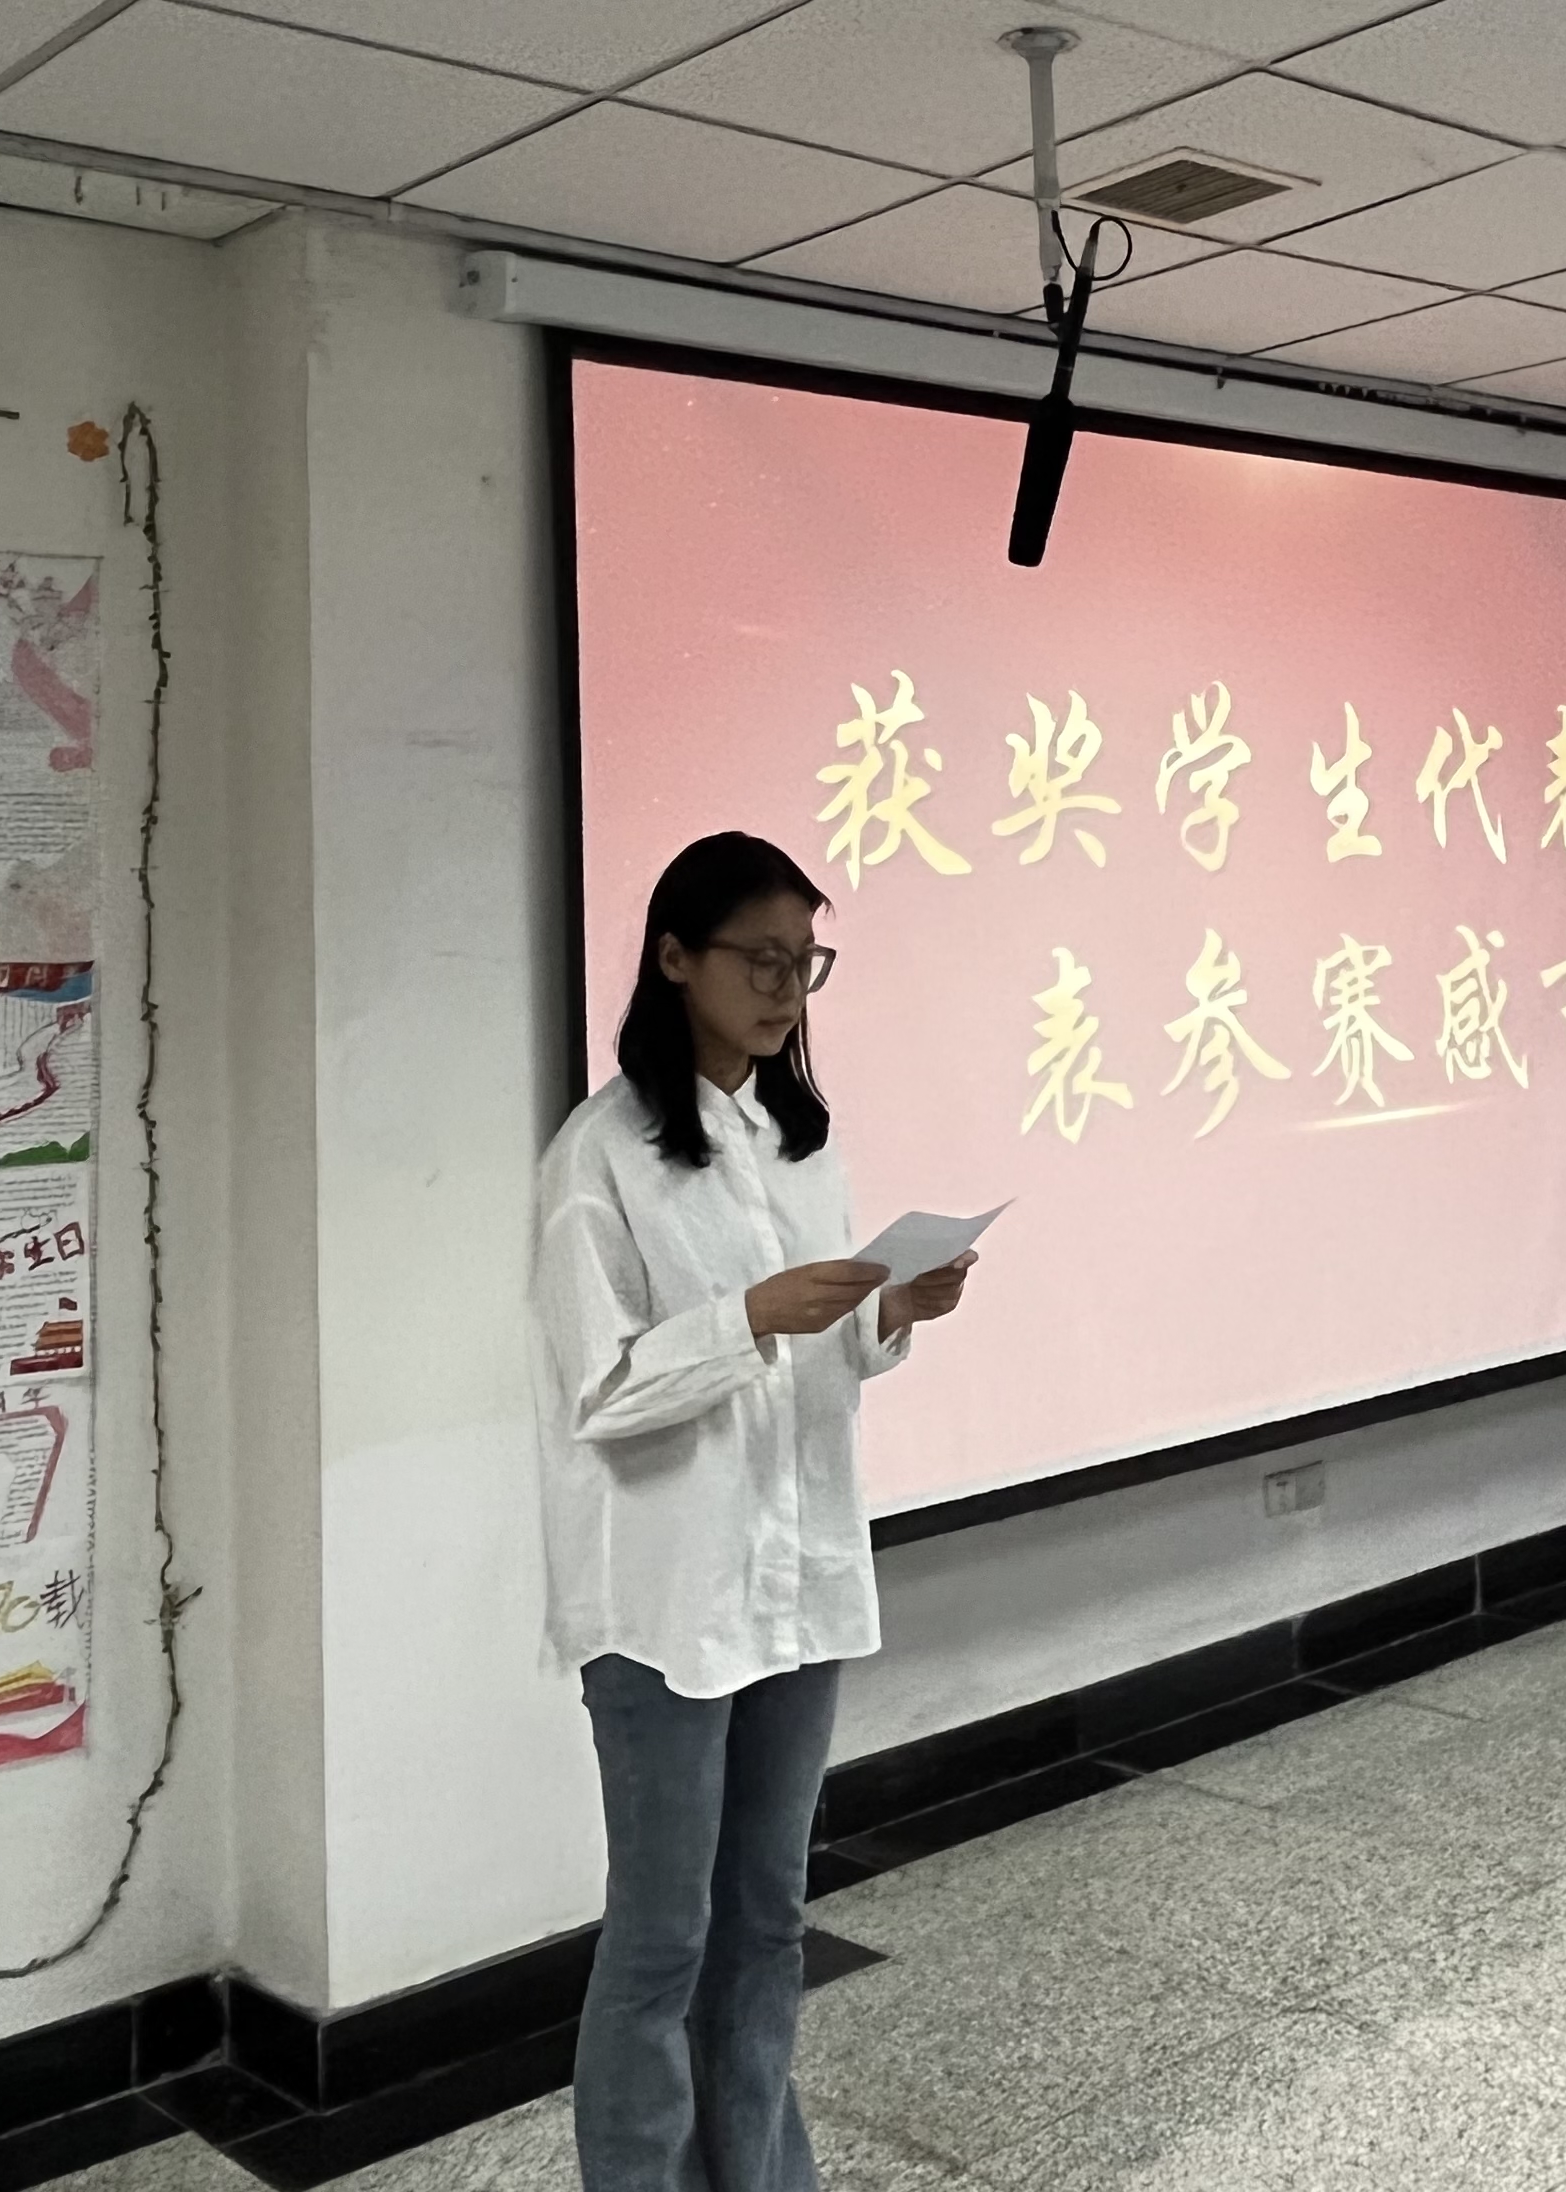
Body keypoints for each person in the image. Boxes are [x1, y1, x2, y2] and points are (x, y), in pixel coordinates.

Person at [535, 830, 974, 2192]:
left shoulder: (798, 1144)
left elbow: (819, 1363)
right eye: (762, 960)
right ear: (675, 958)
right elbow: (600, 1390)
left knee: (769, 1921)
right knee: (662, 1940)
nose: (788, 990)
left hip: (796, 1577)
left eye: (807, 963)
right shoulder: (601, 1156)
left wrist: (890, 1312)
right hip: (667, 1604)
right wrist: (748, 1319)